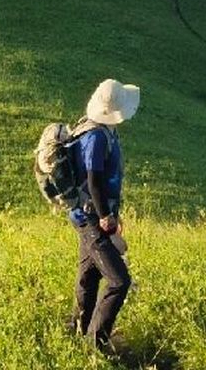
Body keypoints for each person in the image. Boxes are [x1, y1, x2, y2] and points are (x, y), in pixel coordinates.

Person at [68, 78, 139, 351]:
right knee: (119, 281)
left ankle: (77, 331)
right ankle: (95, 345)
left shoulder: (98, 130)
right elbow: (93, 180)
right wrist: (105, 217)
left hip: (88, 215)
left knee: (89, 275)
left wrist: (111, 212)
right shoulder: (96, 136)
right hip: (91, 219)